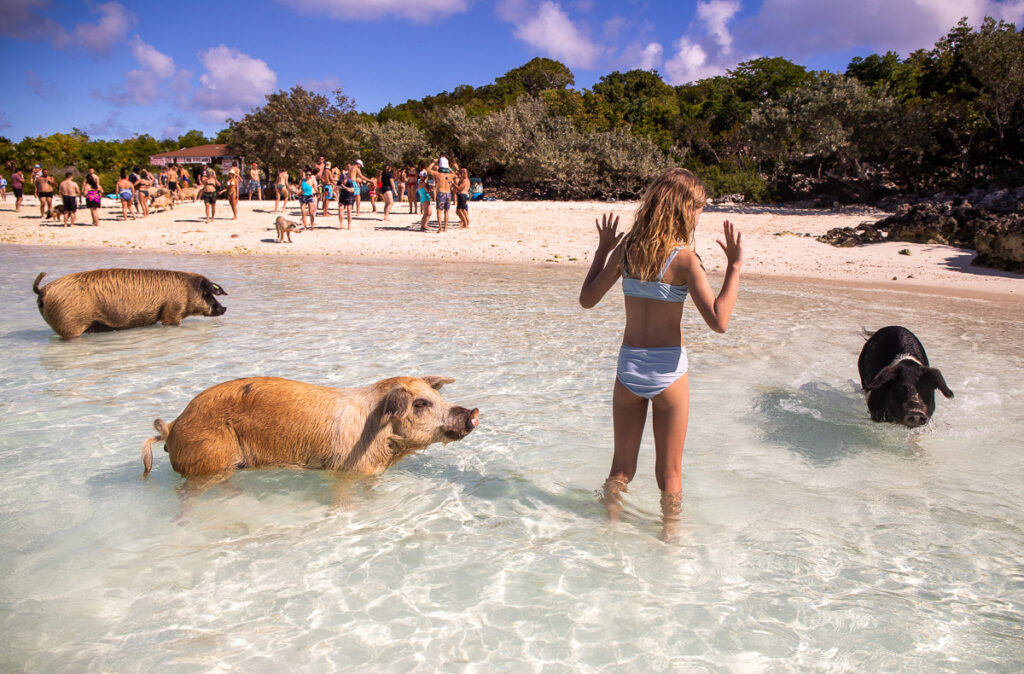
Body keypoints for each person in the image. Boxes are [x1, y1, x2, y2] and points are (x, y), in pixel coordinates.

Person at [577, 168, 743, 539]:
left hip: (629, 370)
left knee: (621, 470)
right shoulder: (684, 260)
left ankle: (611, 531)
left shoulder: (628, 250)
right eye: (699, 207)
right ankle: (670, 538)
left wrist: (602, 251)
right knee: (669, 473)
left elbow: (587, 300)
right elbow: (719, 321)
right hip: (668, 372)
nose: (701, 215)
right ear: (684, 209)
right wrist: (734, 267)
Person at [426, 157, 455, 232]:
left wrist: (433, 162)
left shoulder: (438, 174)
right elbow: (455, 173)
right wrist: (449, 168)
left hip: (441, 193)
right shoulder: (450, 175)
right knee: (446, 211)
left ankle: (440, 228)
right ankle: (445, 227)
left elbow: (428, 170)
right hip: (448, 193)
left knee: (439, 211)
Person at [337, 164, 356, 229]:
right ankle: (341, 224)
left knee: (349, 211)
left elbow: (352, 190)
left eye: (343, 180)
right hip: (342, 197)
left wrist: (345, 187)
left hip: (349, 197)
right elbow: (336, 188)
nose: (342, 181)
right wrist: (338, 187)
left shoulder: (350, 182)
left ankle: (349, 225)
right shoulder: (340, 182)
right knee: (340, 210)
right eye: (341, 180)